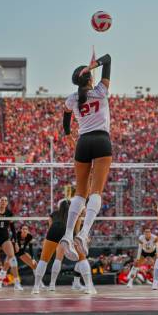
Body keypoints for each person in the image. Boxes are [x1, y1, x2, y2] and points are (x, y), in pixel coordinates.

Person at [59, 53, 112, 261]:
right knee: (96, 191)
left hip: (82, 142)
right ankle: (83, 233)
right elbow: (108, 59)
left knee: (80, 193)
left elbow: (65, 117)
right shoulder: (100, 91)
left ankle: (67, 234)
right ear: (89, 78)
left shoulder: (72, 99)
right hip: (101, 140)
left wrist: (67, 134)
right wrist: (96, 64)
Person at [33, 188, 95, 294]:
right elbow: (77, 228)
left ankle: (36, 287)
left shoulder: (53, 214)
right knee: (82, 258)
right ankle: (89, 287)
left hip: (55, 230)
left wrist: (48, 240)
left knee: (44, 259)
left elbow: (50, 227)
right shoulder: (75, 214)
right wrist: (78, 239)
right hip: (68, 230)